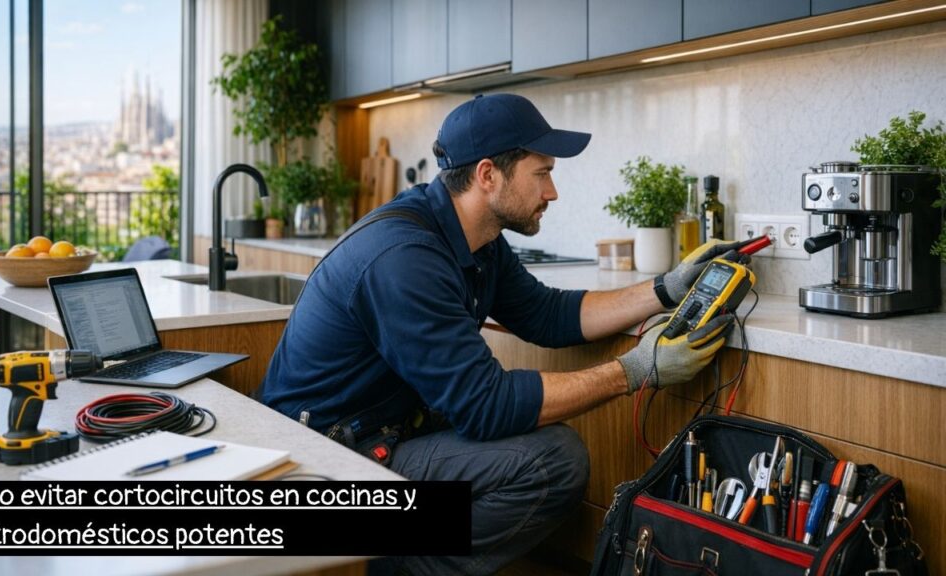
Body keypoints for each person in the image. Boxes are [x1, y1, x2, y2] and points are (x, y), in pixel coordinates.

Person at [260, 93, 744, 575]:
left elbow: (546, 314)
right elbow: (484, 406)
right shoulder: (405, 259)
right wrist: (636, 369)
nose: (552, 192)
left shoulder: (476, 237)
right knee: (551, 461)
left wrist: (665, 288)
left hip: (377, 434)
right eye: (542, 173)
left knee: (543, 451)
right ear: (488, 175)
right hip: (318, 468)